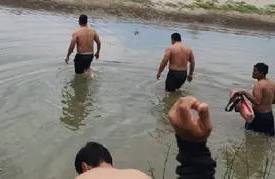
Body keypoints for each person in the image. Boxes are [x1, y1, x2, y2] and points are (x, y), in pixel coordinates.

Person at [74, 96, 217, 179]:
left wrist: (195, 152)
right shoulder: (139, 175)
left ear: (85, 167)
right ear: (110, 163)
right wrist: (194, 147)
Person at [232, 63, 275, 136]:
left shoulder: (259, 85)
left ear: (261, 73)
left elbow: (257, 102)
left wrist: (244, 93)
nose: (252, 72)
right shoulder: (272, 83)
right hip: (269, 116)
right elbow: (274, 101)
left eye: (255, 71)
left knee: (250, 138)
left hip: (259, 117)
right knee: (267, 138)